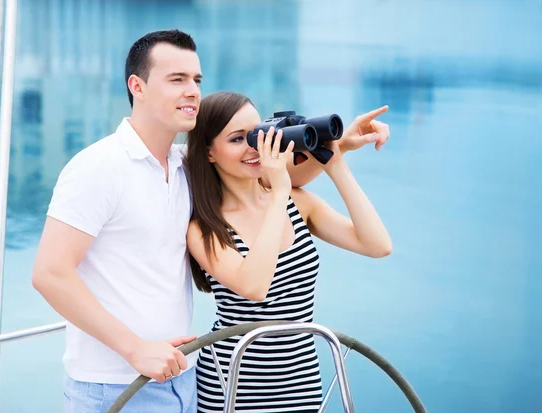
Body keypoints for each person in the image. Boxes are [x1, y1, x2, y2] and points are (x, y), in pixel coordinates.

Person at [32, 29, 391, 412]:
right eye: (176, 79)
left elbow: (272, 179)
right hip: (119, 382)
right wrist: (135, 350)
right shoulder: (99, 167)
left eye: (196, 80)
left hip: (184, 376)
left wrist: (337, 148)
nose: (192, 91)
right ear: (137, 86)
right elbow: (50, 274)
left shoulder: (180, 165)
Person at [185, 91, 392, 412]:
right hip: (234, 383)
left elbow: (378, 245)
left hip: (301, 380)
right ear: (210, 153)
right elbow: (254, 287)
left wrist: (336, 162)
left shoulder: (298, 203)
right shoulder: (204, 228)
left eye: (258, 134)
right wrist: (278, 188)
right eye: (238, 139)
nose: (254, 147)